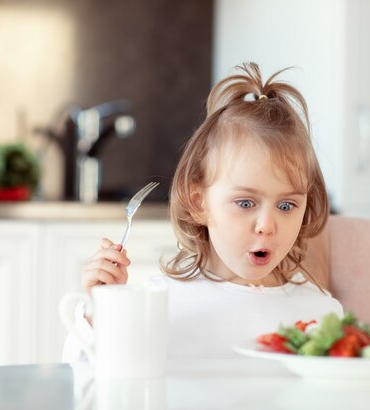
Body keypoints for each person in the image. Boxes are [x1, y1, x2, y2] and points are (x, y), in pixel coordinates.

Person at [63, 62, 343, 361]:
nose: (266, 225)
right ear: (199, 203)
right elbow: (83, 376)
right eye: (245, 203)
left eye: (287, 205)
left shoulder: (321, 315)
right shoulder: (157, 303)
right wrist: (103, 310)